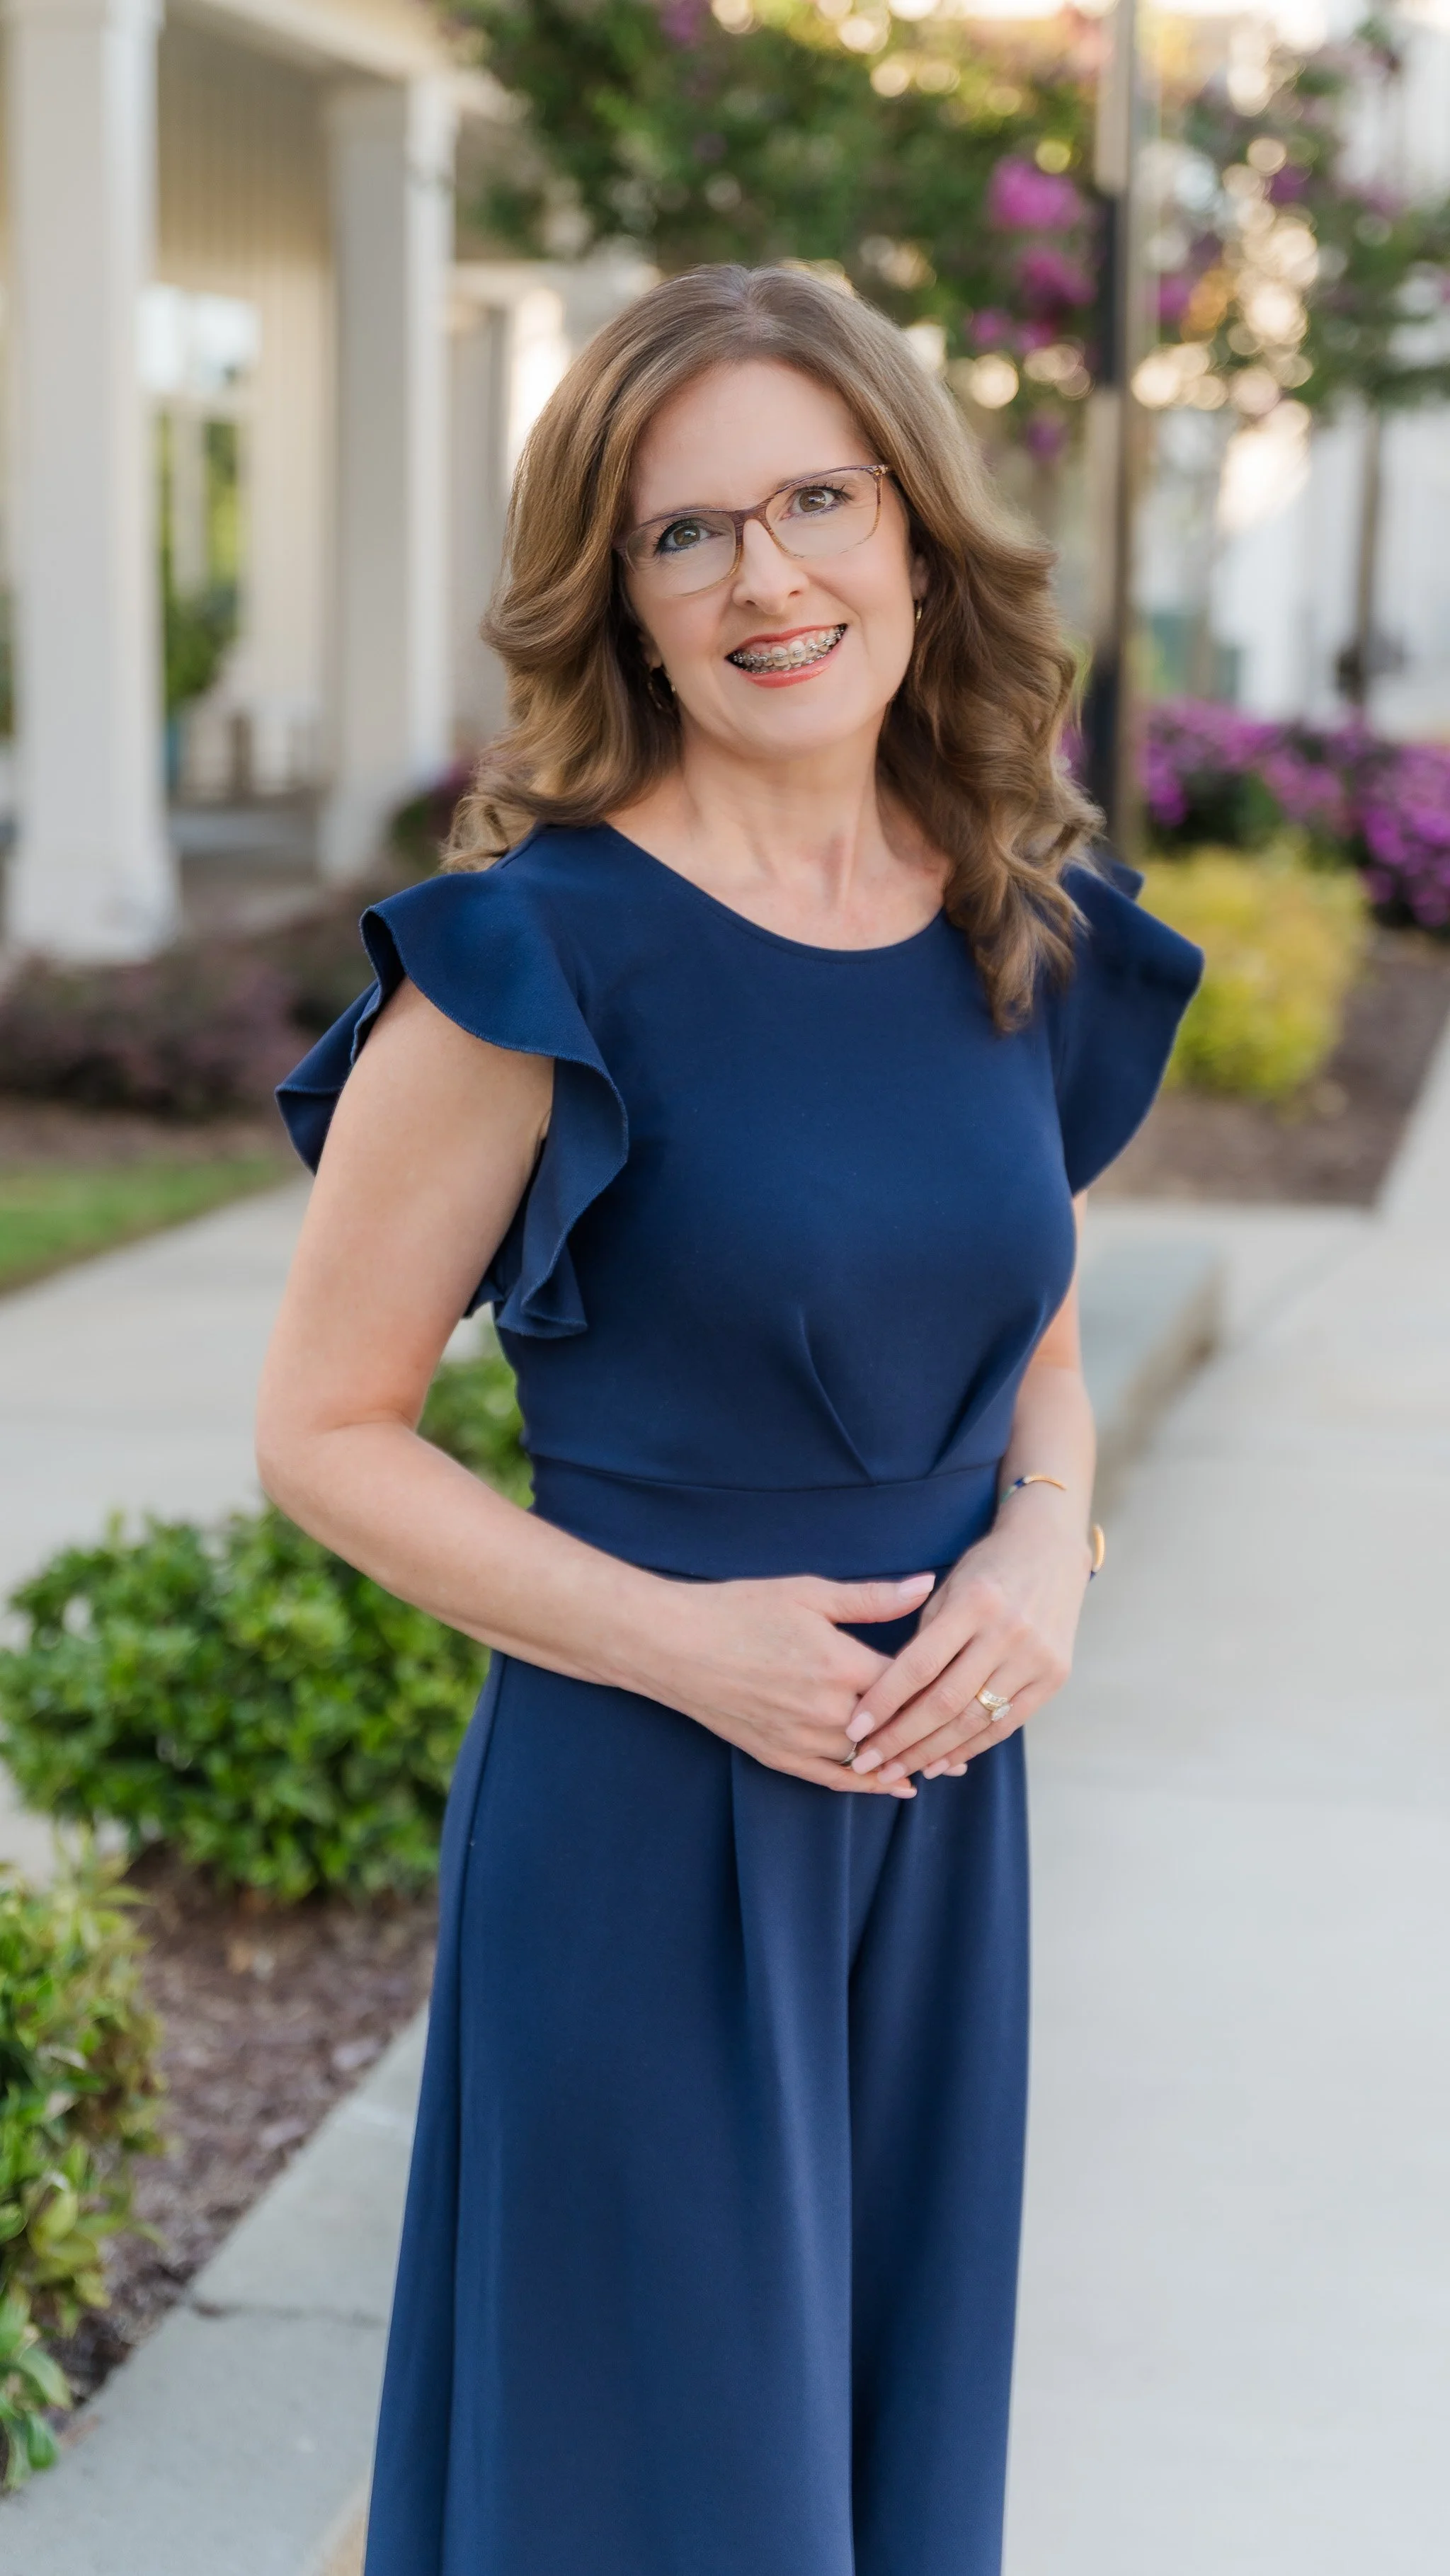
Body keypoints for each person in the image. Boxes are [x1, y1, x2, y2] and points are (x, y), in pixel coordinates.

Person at [258, 263, 1201, 2576]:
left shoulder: (1013, 915)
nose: (770, 575)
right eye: (693, 534)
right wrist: (694, 1646)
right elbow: (328, 1429)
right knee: (663, 2493)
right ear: (627, 603)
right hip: (649, 1818)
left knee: (872, 2480)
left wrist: (1036, 1552)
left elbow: (1037, 1342)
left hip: (932, 1825)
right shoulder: (534, 958)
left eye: (818, 499)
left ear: (913, 533)